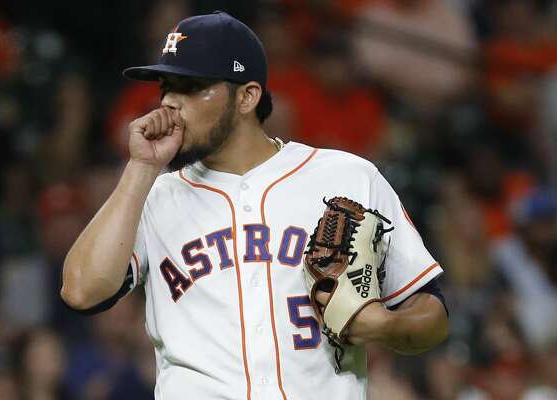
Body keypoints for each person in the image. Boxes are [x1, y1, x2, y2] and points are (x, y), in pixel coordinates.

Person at [61, 11, 448, 400]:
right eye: (166, 87)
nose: (169, 104)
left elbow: (431, 312)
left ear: (247, 96)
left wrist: (384, 327)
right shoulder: (155, 196)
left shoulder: (347, 177)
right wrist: (141, 168)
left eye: (192, 86)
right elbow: (80, 290)